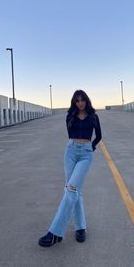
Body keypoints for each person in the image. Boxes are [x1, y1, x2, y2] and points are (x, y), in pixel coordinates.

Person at [38, 89, 102, 247]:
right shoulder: (70, 116)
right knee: (74, 191)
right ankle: (80, 228)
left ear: (86, 101)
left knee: (71, 189)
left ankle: (55, 233)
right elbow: (70, 134)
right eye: (77, 100)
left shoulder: (94, 116)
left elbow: (99, 136)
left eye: (82, 100)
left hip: (86, 155)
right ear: (74, 102)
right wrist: (76, 145)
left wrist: (90, 147)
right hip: (71, 152)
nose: (80, 103)